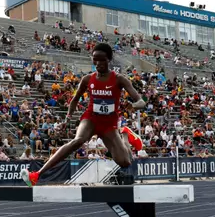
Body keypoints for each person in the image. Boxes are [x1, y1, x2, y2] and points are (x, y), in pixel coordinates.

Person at [21, 43, 145, 186]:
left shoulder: (119, 79)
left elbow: (141, 101)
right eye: (95, 60)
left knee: (125, 162)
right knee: (77, 141)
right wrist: (67, 119)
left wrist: (134, 105)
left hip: (109, 124)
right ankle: (36, 175)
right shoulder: (87, 79)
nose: (98, 64)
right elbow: (74, 100)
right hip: (91, 119)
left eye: (101, 60)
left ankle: (124, 136)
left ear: (109, 59)